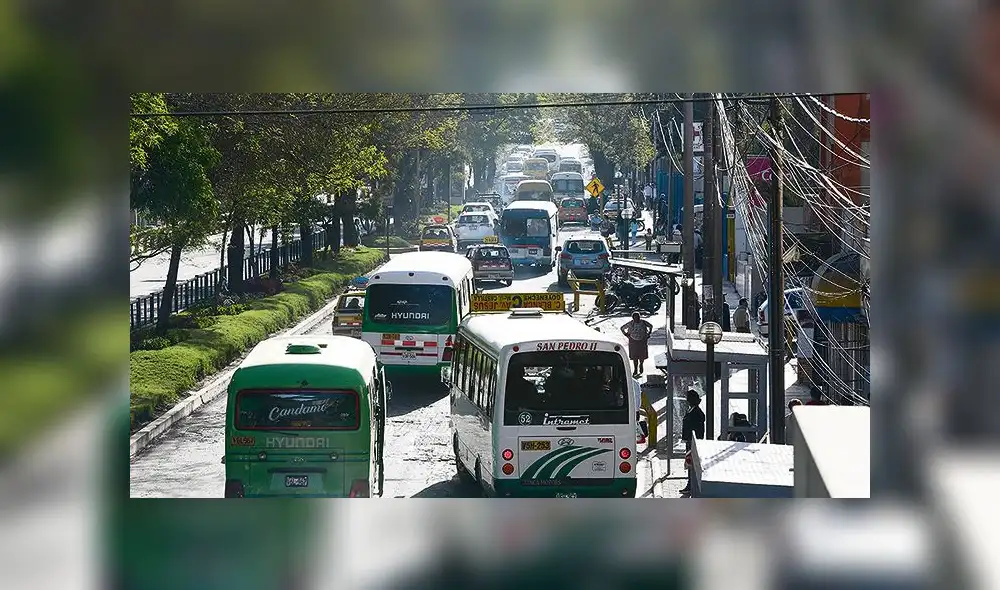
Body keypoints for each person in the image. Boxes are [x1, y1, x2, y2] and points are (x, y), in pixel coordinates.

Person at [679, 390, 705, 495]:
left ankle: (691, 485)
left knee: (691, 464)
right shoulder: (691, 410)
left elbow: (698, 430)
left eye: (689, 398)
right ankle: (690, 484)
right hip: (689, 441)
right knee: (690, 464)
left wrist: (695, 441)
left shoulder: (697, 412)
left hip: (693, 443)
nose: (687, 400)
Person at [621, 311, 655, 377]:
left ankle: (641, 364)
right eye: (635, 318)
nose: (637, 319)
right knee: (634, 356)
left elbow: (651, 326)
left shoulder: (643, 322)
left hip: (642, 341)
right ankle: (635, 369)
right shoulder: (630, 324)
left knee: (642, 355)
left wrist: (649, 333)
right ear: (633, 318)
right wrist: (626, 335)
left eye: (638, 317)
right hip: (633, 342)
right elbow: (622, 328)